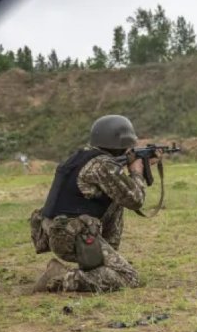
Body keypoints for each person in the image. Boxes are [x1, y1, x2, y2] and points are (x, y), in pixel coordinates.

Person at [29, 115, 159, 293]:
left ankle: (105, 260)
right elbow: (135, 200)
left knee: (116, 197)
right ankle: (61, 278)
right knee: (129, 278)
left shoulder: (83, 157)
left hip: (58, 232)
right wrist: (137, 171)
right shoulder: (102, 166)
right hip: (71, 236)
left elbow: (119, 193)